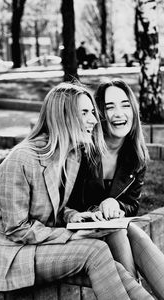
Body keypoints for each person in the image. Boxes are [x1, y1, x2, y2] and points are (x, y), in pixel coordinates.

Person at [0, 82, 153, 300]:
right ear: (64, 116)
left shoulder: (71, 156)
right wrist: (70, 234)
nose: (95, 120)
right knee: (95, 251)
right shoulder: (20, 159)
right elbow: (17, 230)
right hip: (10, 256)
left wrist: (76, 216)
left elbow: (56, 209)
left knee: (115, 268)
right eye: (85, 113)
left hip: (41, 246)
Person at [65, 78, 164, 299]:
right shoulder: (81, 149)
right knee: (119, 231)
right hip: (75, 233)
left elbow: (132, 205)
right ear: (100, 114)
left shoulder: (136, 156)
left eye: (125, 105)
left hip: (111, 229)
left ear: (133, 111)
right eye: (110, 107)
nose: (119, 113)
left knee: (125, 230)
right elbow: (62, 202)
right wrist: (96, 210)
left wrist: (116, 205)